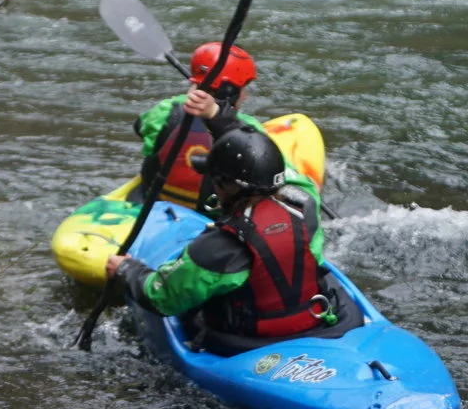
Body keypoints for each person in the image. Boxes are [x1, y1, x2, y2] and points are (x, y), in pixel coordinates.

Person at [104, 128, 341, 350]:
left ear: (224, 187)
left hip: (250, 342)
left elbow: (163, 298)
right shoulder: (305, 208)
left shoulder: (218, 247)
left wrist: (126, 269)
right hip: (314, 320)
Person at [134, 42, 295, 207]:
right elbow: (273, 174)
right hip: (210, 217)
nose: (245, 96)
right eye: (243, 89)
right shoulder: (248, 128)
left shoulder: (165, 110)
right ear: (229, 92)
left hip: (156, 208)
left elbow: (139, 126)